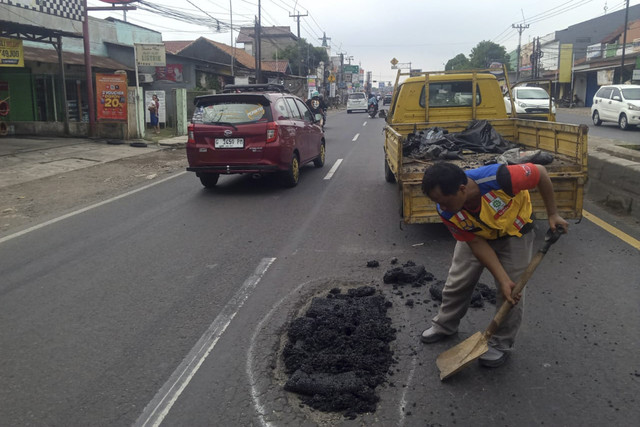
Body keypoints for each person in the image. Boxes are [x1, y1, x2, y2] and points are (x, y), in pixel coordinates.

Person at [419, 162, 568, 368]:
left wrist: (553, 213)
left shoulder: (500, 177)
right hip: (478, 235)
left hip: (515, 233)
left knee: (512, 292)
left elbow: (540, 172)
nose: (441, 208)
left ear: (462, 189)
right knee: (457, 281)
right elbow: (476, 244)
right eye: (437, 202)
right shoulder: (446, 211)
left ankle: (500, 343)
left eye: (444, 201)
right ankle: (445, 325)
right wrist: (501, 277)